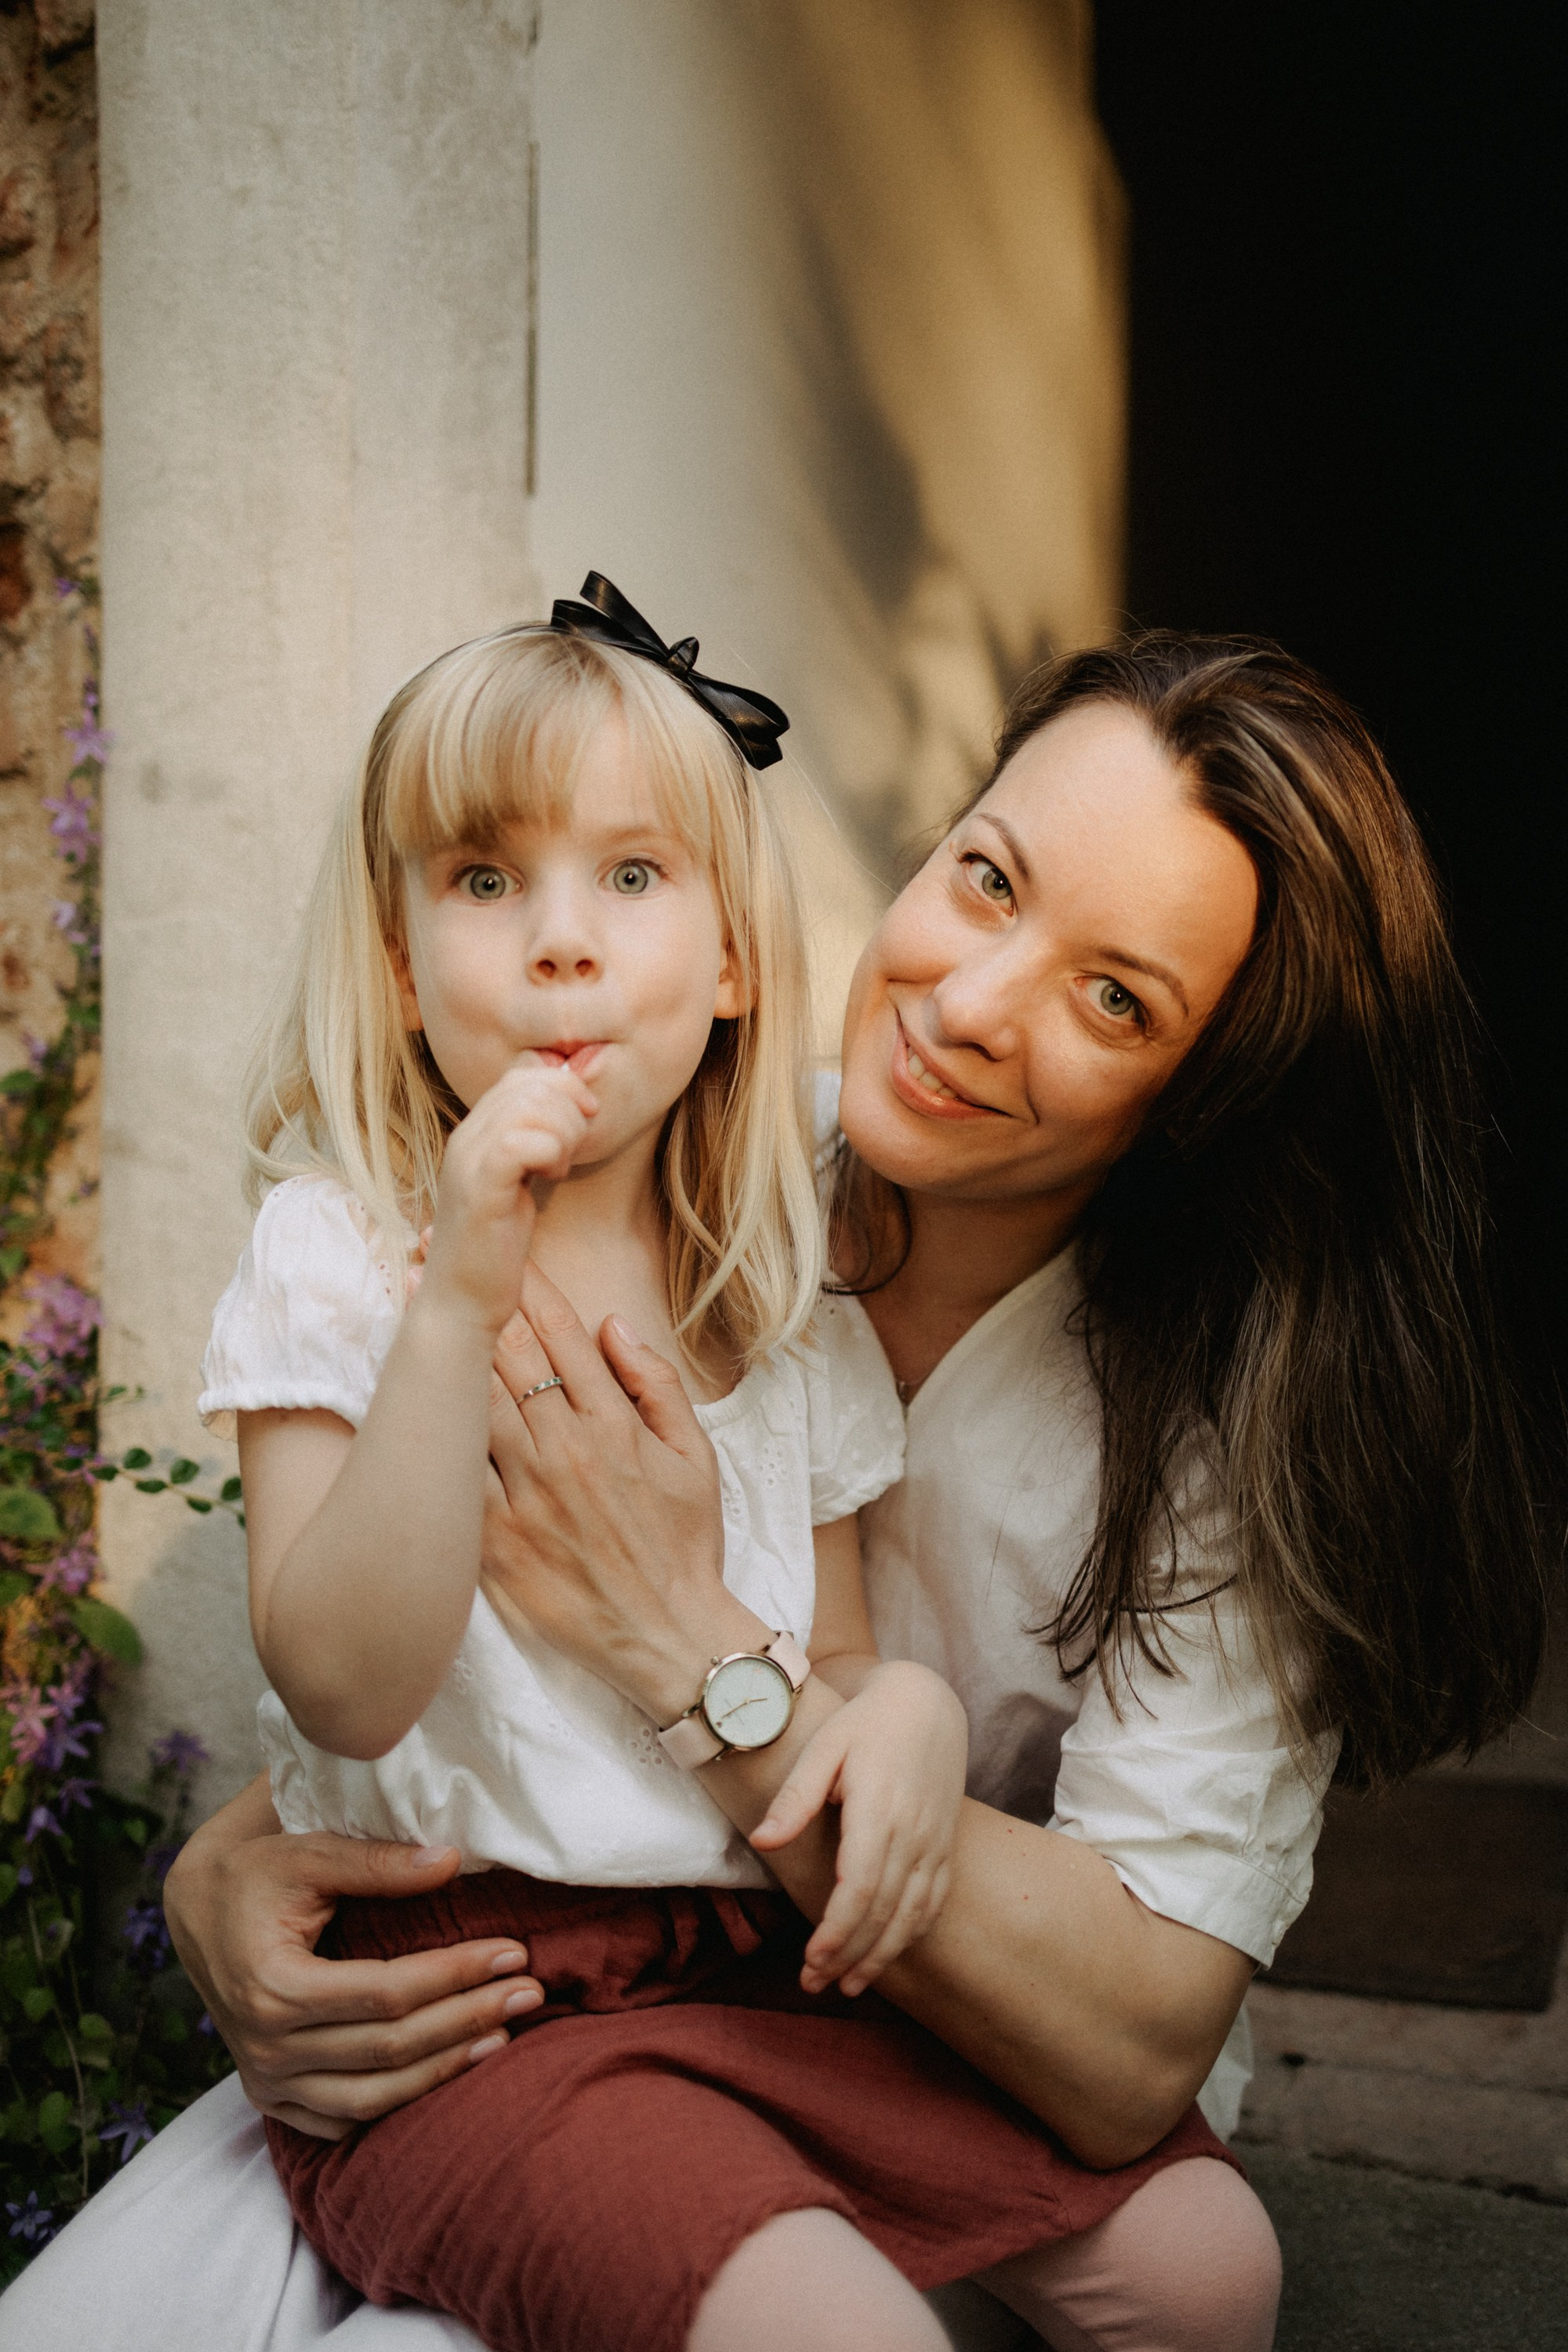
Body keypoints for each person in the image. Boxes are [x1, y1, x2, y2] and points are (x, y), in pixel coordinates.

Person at [2, 633, 1545, 2352]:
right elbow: (388, 1685)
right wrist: (233, 1868)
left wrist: (768, 1673)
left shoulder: (1198, 1419)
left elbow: (1120, 2036)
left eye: (1116, 999)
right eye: (986, 880)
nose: (967, 1005)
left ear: (1207, 1100)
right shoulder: (716, 1186)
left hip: (852, 1990)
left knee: (1200, 2274)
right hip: (494, 1988)